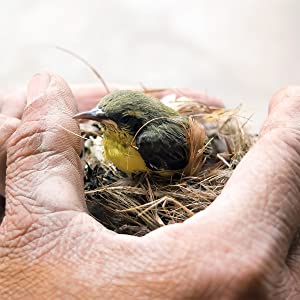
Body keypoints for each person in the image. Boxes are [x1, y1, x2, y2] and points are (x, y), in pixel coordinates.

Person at [0, 72, 299, 299]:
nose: (98, 120)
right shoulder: (110, 138)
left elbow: (195, 160)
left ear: (137, 121)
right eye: (100, 115)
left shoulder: (151, 141)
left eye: (119, 119)